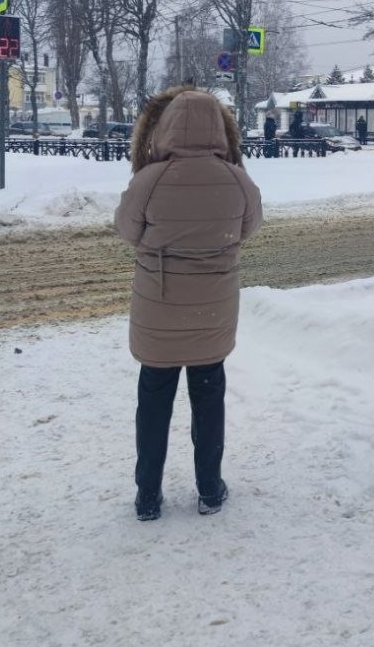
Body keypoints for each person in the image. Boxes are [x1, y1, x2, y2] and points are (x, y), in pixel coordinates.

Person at [114, 86, 263, 521]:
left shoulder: (150, 179)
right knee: (209, 396)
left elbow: (127, 230)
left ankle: (147, 497)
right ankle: (210, 490)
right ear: (219, 127)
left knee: (154, 402)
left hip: (158, 308)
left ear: (167, 127)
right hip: (212, 308)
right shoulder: (237, 179)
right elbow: (249, 226)